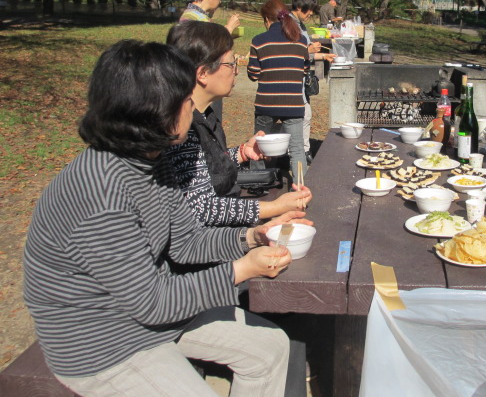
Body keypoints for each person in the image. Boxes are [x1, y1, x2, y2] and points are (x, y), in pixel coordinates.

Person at [24, 40, 295, 396]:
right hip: (102, 342)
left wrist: (253, 237)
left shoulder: (155, 159)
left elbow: (186, 241)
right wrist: (242, 269)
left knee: (270, 349)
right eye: (185, 99)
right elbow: (153, 302)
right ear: (155, 111)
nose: (192, 106)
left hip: (147, 311)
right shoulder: (101, 192)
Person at [165, 21, 313, 227]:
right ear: (203, 73)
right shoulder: (182, 128)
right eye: (231, 64)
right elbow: (200, 207)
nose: (236, 71)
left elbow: (209, 168)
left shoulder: (204, 115)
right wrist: (274, 207)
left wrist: (241, 153)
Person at [248, 0, 309, 177]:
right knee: (297, 148)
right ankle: (300, 186)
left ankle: (257, 184)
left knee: (259, 146)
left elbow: (253, 74)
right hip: (293, 104)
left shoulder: (259, 41)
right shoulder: (301, 40)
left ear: (267, 19)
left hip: (266, 103)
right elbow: (305, 70)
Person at [291, 0, 336, 164]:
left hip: (301, 78)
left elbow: (307, 53)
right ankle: (301, 152)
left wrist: (324, 56)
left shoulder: (301, 25)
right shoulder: (289, 25)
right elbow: (290, 52)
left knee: (306, 115)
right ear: (298, 6)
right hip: (292, 80)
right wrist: (307, 50)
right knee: (303, 115)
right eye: (307, 10)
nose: (310, 13)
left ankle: (303, 150)